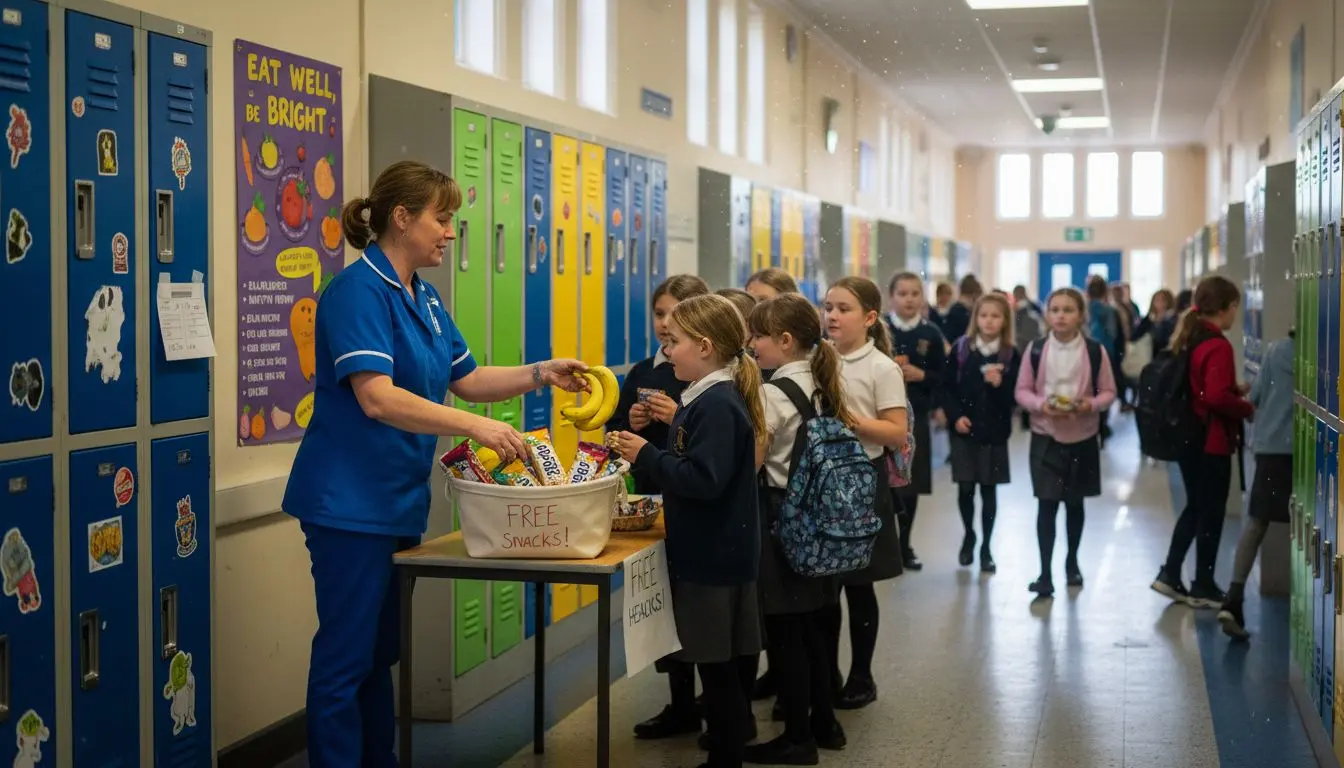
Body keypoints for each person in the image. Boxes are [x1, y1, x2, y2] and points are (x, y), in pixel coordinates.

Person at [282, 161, 589, 768]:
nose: (450, 233)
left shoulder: (421, 295)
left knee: (380, 653)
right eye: (441, 220)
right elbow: (377, 397)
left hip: (394, 501)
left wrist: (539, 373)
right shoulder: (356, 292)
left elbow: (466, 378)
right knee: (346, 659)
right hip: (347, 505)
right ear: (402, 219)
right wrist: (477, 427)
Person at [607, 294, 767, 768]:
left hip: (713, 560)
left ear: (704, 346)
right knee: (718, 672)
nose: (667, 349)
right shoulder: (704, 399)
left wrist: (647, 455)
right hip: (717, 552)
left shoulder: (716, 405)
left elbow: (703, 479)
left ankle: (725, 759)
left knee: (718, 675)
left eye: (674, 341)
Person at [743, 293, 850, 763]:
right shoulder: (826, 382)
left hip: (781, 519)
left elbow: (754, 460)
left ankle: (798, 739)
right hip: (820, 520)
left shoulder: (771, 394)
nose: (751, 345)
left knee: (785, 633)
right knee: (813, 628)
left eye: (758, 336)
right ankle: (826, 723)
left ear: (784, 341)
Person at [612, 274, 713, 742]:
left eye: (675, 314)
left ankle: (713, 701)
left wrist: (676, 418)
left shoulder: (704, 377)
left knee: (697, 609)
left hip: (691, 501)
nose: (664, 324)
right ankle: (679, 702)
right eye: (658, 314)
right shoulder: (641, 372)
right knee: (663, 607)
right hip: (651, 499)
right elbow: (614, 435)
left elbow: (709, 446)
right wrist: (629, 421)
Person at [821, 276, 909, 709]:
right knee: (827, 585)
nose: (832, 316)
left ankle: (861, 675)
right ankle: (827, 672)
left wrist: (849, 420)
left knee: (858, 585)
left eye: (843, 309)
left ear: (870, 318)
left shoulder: (881, 367)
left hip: (863, 479)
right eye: (828, 307)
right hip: (825, 480)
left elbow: (896, 432)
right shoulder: (821, 359)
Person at [1151, 276, 1253, 609]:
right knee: (1210, 512)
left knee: (1195, 506)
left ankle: (1170, 573)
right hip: (1210, 441)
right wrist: (1246, 407)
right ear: (1229, 307)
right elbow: (1213, 397)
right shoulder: (1218, 344)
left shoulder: (1192, 338)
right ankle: (1203, 584)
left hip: (1189, 437)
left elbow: (1201, 388)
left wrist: (1230, 392)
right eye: (1236, 306)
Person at [1014, 287, 1117, 598]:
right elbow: (1022, 390)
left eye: (1068, 310)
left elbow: (1109, 391)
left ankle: (1072, 562)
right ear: (1047, 315)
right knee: (1046, 505)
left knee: (1075, 503)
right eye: (1055, 309)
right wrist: (1040, 405)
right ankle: (1045, 572)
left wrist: (1091, 405)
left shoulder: (1095, 351)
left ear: (1081, 316)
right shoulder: (1035, 349)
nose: (1060, 315)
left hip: (1082, 436)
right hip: (1045, 436)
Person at [1220, 330, 1293, 639]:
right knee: (1314, 527)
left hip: (1271, 448)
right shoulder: (1329, 351)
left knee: (1257, 522)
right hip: (1307, 451)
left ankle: (1233, 598)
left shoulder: (1277, 350)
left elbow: (1256, 398)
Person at [943, 293, 1021, 574]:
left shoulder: (1010, 353)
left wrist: (1001, 384)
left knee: (989, 490)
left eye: (996, 316)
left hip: (994, 433)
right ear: (976, 318)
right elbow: (947, 388)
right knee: (965, 487)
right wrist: (955, 417)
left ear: (1004, 321)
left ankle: (987, 546)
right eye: (984, 315)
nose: (989, 321)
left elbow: (1015, 397)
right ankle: (969, 535)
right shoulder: (961, 349)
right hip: (965, 430)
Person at [883, 272, 947, 571]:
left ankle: (905, 544)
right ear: (891, 296)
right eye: (903, 293)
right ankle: (884, 546)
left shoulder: (931, 333)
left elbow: (942, 376)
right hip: (881, 416)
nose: (909, 299)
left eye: (915, 293)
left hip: (915, 416)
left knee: (910, 483)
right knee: (883, 483)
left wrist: (922, 376)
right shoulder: (879, 329)